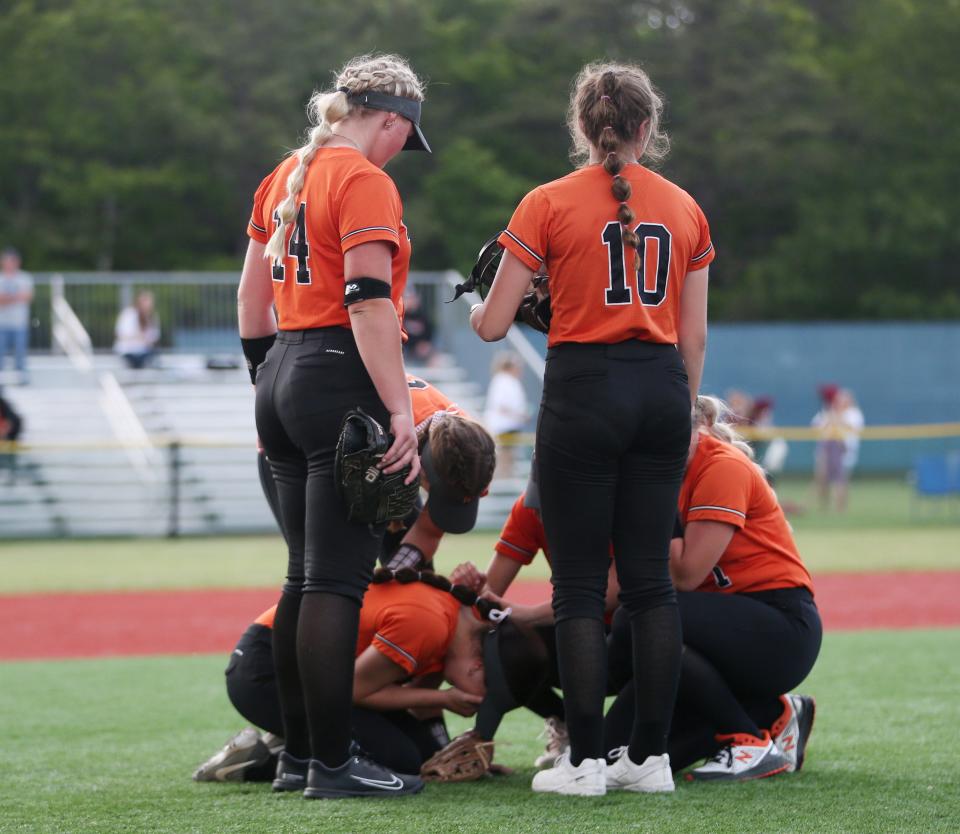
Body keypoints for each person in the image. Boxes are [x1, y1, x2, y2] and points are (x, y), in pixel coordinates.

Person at [470, 61, 712, 796]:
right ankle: (650, 760)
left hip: (583, 387)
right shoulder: (686, 207)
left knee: (577, 586)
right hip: (663, 389)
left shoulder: (545, 202)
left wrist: (517, 292)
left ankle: (583, 764)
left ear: (582, 127)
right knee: (649, 586)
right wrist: (681, 413)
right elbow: (693, 340)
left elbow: (490, 326)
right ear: (648, 127)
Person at [236, 53, 430, 800]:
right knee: (335, 583)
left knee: (300, 579)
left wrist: (272, 379)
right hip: (335, 373)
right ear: (389, 118)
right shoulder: (362, 179)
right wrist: (400, 409)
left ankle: (295, 758)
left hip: (281, 366)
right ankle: (332, 762)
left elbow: (253, 297)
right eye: (402, 138)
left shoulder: (285, 174)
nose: (398, 156)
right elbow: (369, 301)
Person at [604, 395, 821, 781]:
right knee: (611, 758)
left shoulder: (720, 466)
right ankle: (770, 713)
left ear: (697, 427)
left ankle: (748, 742)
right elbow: (620, 583)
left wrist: (656, 501)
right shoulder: (650, 474)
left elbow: (685, 574)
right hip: (712, 635)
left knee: (636, 618)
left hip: (779, 627)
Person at [193, 569, 548, 782]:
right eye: (486, 693)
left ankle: (291, 737)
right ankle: (263, 757)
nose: (481, 700)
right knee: (396, 760)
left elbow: (409, 709)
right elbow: (353, 690)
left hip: (307, 670)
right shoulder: (429, 625)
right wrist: (443, 698)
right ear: (477, 664)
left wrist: (449, 756)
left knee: (418, 758)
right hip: (266, 672)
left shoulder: (458, 623)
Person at [813, 384, 864, 512]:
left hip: (845, 451)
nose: (841, 401)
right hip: (826, 450)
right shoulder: (827, 412)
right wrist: (831, 415)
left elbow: (852, 428)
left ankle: (840, 509)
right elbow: (816, 427)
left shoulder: (853, 413)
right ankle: (823, 508)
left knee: (841, 480)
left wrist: (836, 417)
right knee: (823, 480)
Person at [482, 352, 529, 478]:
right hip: (503, 425)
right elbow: (501, 405)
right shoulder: (502, 380)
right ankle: (502, 478)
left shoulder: (509, 381)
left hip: (510, 424)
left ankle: (506, 477)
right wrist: (519, 415)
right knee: (504, 453)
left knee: (509, 453)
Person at [0, 248, 34, 385]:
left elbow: (28, 296)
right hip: (2, 323)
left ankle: (22, 378)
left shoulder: (25, 277)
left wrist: (8, 298)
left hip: (19, 323)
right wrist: (16, 297)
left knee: (20, 353)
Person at [114, 290, 161, 369]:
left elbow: (154, 338)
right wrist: (140, 337)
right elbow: (121, 335)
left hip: (144, 352)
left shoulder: (152, 317)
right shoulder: (129, 314)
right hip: (128, 352)